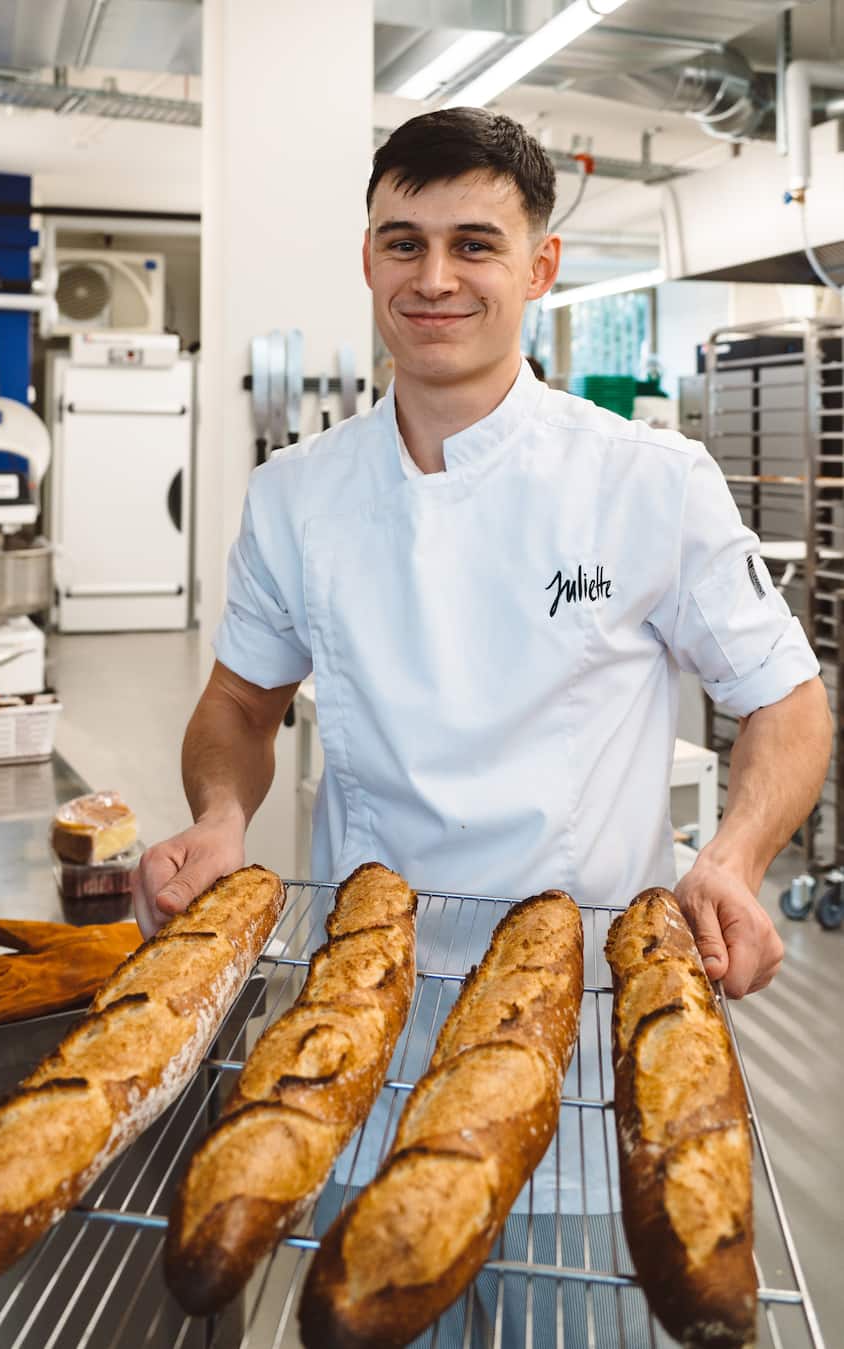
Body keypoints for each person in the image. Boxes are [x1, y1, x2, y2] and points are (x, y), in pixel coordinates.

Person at [132, 106, 830, 1346]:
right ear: (367, 261)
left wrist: (734, 858)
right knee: (376, 1308)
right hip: (361, 1022)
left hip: (577, 1037)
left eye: (475, 244)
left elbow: (786, 696)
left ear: (540, 267)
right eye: (403, 243)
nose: (435, 277)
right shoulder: (299, 496)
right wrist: (223, 814)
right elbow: (242, 702)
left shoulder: (647, 482)